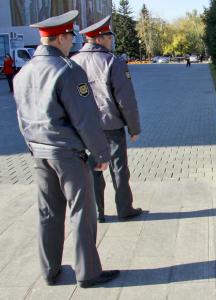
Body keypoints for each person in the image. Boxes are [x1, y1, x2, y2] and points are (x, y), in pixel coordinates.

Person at [13, 10, 119, 288]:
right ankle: (88, 273)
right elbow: (86, 120)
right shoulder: (68, 70)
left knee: (48, 213)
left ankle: (50, 270)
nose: (72, 41)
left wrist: (33, 147)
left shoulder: (23, 72)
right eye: (70, 35)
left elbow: (22, 119)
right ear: (60, 37)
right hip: (67, 155)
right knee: (82, 212)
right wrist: (101, 155)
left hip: (40, 152)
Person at [72, 15, 143, 223]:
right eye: (110, 37)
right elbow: (125, 100)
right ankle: (124, 209)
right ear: (100, 38)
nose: (112, 41)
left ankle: (97, 212)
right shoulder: (112, 62)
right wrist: (134, 128)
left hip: (84, 129)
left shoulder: (72, 62)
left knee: (92, 170)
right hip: (111, 125)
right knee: (118, 168)